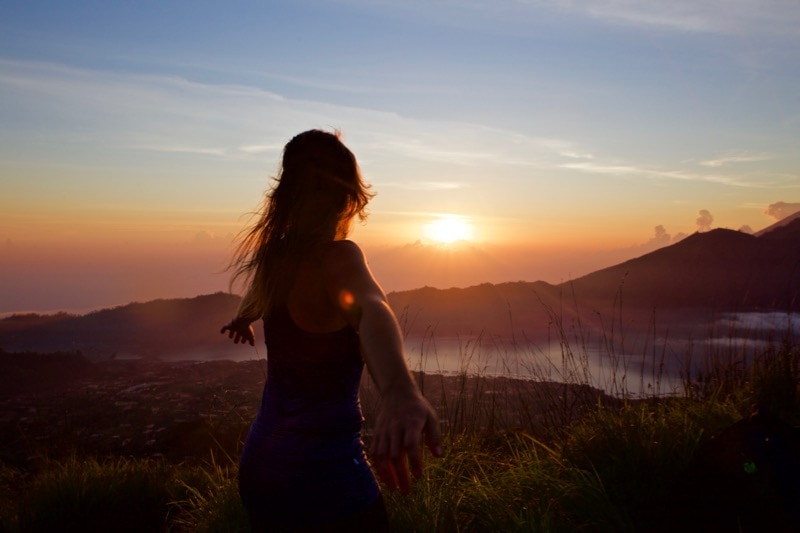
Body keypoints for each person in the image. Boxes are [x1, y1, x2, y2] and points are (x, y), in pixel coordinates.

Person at [221, 129, 442, 532]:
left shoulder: (277, 256)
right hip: (325, 480)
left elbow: (260, 293)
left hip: (262, 468)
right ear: (348, 199)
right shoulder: (338, 258)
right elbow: (372, 309)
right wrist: (398, 390)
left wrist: (243, 317)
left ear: (283, 196)